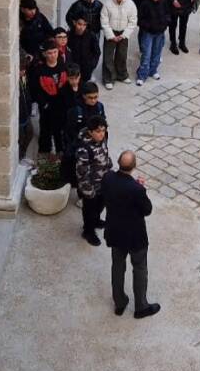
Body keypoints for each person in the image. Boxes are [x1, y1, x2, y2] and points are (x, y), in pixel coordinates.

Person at [101, 151, 161, 319]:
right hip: (135, 236)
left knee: (117, 267)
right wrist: (141, 187)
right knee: (140, 268)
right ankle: (141, 307)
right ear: (134, 166)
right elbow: (147, 210)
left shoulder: (108, 178)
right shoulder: (137, 189)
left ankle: (119, 303)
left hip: (115, 232)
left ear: (119, 163)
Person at [74, 115, 112, 246]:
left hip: (103, 181)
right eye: (98, 131)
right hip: (90, 186)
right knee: (89, 209)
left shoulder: (104, 138)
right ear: (90, 132)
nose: (101, 134)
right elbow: (82, 173)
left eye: (103, 130)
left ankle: (96, 221)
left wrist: (109, 166)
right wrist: (88, 191)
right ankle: (88, 231)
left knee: (101, 205)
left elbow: (105, 153)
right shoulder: (84, 149)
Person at [62, 81, 106, 187]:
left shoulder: (99, 107)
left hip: (96, 146)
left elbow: (103, 124)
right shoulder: (76, 111)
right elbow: (69, 131)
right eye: (90, 98)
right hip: (80, 147)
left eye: (96, 97)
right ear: (83, 96)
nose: (93, 100)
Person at [28, 39, 68, 155]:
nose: (53, 55)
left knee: (60, 130)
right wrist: (44, 104)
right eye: (50, 53)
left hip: (61, 105)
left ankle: (61, 152)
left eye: (55, 52)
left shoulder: (63, 66)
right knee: (46, 130)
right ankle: (45, 154)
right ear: (45, 54)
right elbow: (35, 89)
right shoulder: (39, 70)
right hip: (46, 106)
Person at [100, 0, 137, 89]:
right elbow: (104, 21)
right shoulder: (107, 4)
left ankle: (122, 75)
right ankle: (108, 78)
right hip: (111, 32)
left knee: (122, 54)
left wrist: (124, 35)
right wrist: (111, 35)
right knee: (108, 56)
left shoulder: (130, 5)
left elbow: (133, 21)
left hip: (123, 32)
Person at [135, 0, 170, 86]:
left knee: (157, 53)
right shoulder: (145, 4)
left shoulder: (164, 2)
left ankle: (153, 70)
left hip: (160, 32)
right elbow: (140, 19)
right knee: (146, 54)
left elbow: (168, 14)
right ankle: (142, 75)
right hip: (148, 33)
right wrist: (149, 26)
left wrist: (165, 23)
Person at [67, 14, 101, 81]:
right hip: (73, 69)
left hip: (87, 68)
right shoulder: (69, 35)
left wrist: (92, 65)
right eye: (79, 24)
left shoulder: (91, 35)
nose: (82, 27)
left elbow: (97, 52)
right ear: (74, 23)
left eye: (84, 25)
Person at [18, 54, 33, 162]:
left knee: (29, 133)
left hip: (26, 113)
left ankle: (22, 153)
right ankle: (19, 155)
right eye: (21, 69)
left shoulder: (24, 79)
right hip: (19, 116)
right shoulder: (15, 81)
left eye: (24, 69)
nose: (23, 72)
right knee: (21, 137)